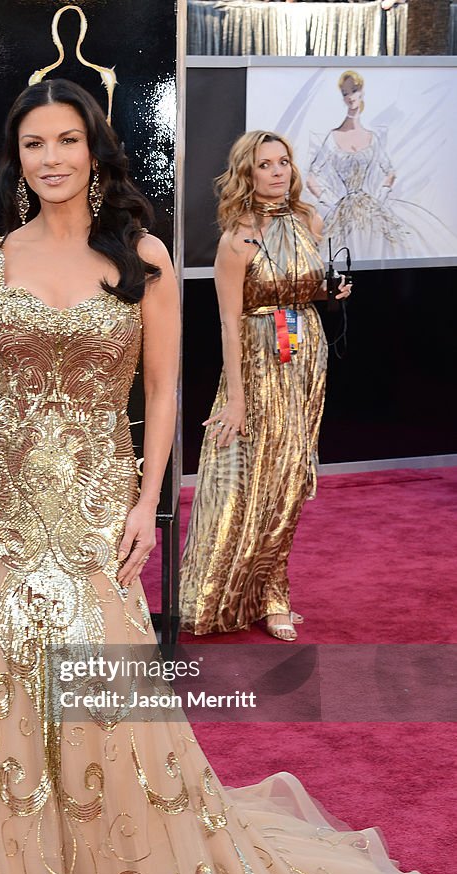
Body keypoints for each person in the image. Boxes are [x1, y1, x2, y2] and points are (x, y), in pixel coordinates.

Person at [0, 91, 430, 874]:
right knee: (12, 674)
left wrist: (152, 502)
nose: (51, 157)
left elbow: (166, 392)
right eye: (33, 143)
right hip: (12, 500)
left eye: (67, 140)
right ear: (15, 158)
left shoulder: (142, 257)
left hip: (103, 494)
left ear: (96, 151)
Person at [180, 130, 349, 640]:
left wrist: (329, 290)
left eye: (283, 162)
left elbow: (302, 283)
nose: (277, 172)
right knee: (245, 481)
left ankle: (274, 591)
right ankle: (223, 594)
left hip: (304, 357)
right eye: (265, 165)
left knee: (291, 479)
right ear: (246, 175)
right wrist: (235, 399)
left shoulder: (309, 221)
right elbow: (229, 323)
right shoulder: (237, 240)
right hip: (256, 361)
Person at [306, 71, 457, 260]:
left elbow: (390, 171)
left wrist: (380, 196)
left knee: (383, 249)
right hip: (344, 210)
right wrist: (332, 202)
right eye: (345, 93)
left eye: (354, 90)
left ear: (362, 92)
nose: (351, 97)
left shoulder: (372, 137)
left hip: (371, 207)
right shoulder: (333, 137)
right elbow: (311, 176)